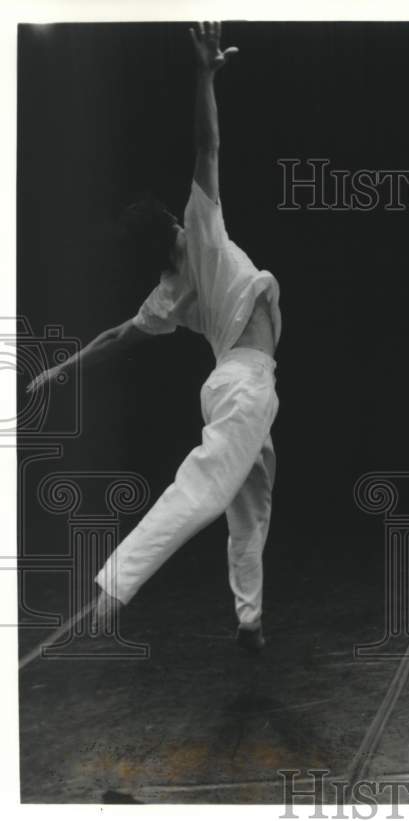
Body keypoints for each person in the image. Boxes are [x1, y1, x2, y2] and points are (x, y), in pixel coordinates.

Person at [27, 22, 280, 652]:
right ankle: (114, 585)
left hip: (239, 385)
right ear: (173, 222)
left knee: (250, 503)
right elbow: (207, 145)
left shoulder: (166, 295)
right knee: (204, 488)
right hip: (244, 386)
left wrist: (62, 370)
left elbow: (116, 336)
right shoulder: (201, 229)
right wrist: (204, 75)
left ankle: (249, 621)